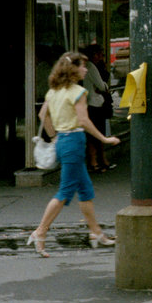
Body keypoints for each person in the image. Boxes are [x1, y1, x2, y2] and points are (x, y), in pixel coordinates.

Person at [28, 52, 121, 257]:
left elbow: (43, 115)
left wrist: (54, 137)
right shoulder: (78, 92)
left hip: (63, 140)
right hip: (75, 141)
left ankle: (96, 232)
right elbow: (85, 121)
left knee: (85, 189)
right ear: (73, 70)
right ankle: (40, 232)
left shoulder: (54, 91)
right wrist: (104, 139)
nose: (86, 70)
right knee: (65, 191)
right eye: (82, 66)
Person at [81, 44, 113, 172]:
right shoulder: (91, 66)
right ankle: (94, 161)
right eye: (98, 54)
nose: (100, 57)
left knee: (95, 134)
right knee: (95, 134)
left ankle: (98, 160)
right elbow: (101, 86)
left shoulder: (95, 66)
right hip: (93, 104)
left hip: (93, 103)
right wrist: (104, 86)